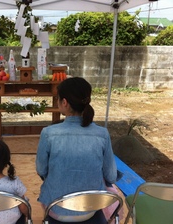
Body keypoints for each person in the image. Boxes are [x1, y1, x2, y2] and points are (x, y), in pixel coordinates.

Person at [36, 77, 117, 222]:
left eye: (58, 99)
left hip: (56, 209)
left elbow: (41, 171)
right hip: (91, 209)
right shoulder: (102, 134)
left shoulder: (48, 133)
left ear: (64, 102)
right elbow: (111, 176)